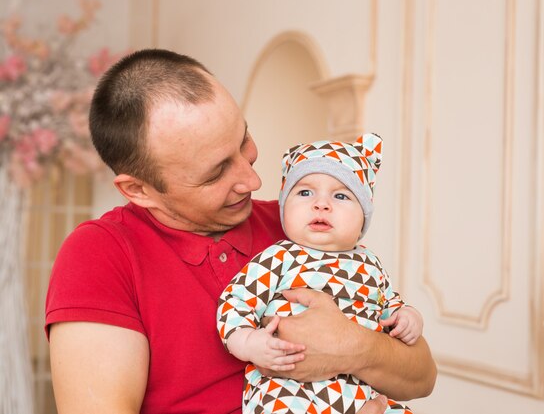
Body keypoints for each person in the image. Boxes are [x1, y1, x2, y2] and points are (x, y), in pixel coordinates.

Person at [45, 48, 437, 414]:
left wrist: (353, 347)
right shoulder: (101, 254)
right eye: (216, 172)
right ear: (139, 189)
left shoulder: (300, 227)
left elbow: (421, 377)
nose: (252, 179)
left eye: (243, 140)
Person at [217, 133, 423, 414]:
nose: (321, 204)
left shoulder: (370, 263)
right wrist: (249, 343)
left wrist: (409, 317)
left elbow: (389, 305)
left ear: (364, 214)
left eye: (340, 195)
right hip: (289, 385)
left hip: (358, 390)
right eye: (304, 192)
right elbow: (235, 300)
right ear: (284, 207)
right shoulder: (280, 256)